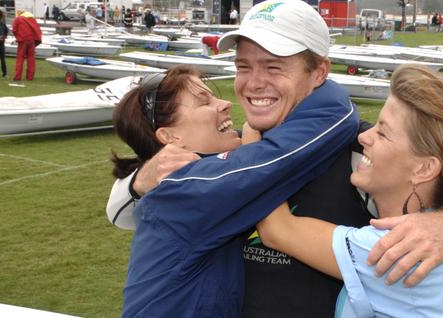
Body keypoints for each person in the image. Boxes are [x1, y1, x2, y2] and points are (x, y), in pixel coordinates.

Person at [107, 0, 443, 317]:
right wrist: (139, 181)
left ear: (319, 74)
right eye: (243, 67)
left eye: (273, 68)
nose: (254, 84)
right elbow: (129, 214)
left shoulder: (362, 152)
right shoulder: (236, 153)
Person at [116, 62, 359, 317]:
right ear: (170, 137)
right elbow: (289, 151)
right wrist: (314, 77)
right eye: (203, 102)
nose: (224, 103)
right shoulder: (189, 191)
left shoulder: (182, 185)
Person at [256, 65, 443, 317]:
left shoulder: (394, 248)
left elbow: (277, 230)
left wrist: (254, 136)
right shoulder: (435, 232)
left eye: (382, 133)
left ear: (424, 168)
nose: (364, 137)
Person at [11, 10, 42, 81]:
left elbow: (14, 29)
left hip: (23, 40)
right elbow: (37, 29)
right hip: (32, 40)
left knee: (20, 58)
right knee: (31, 59)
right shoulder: (32, 19)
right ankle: (30, 77)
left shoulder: (18, 19)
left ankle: (17, 77)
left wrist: (17, 37)